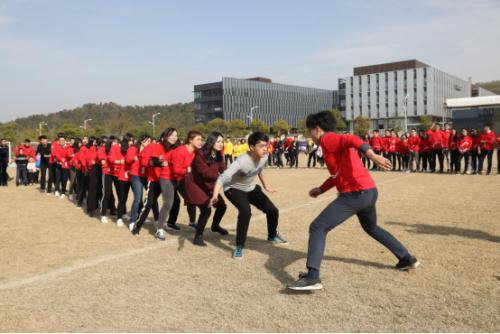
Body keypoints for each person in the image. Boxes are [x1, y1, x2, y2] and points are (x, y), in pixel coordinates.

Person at [287, 111, 419, 291]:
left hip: (355, 194)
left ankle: (312, 277)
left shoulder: (327, 139)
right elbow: (337, 174)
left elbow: (352, 139)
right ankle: (406, 258)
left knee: (318, 226)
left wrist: (372, 155)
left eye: (309, 131)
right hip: (369, 191)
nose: (310, 135)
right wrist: (321, 189)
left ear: (317, 129)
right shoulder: (329, 144)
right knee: (371, 227)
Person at [210, 131, 288, 260]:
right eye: (261, 146)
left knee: (273, 210)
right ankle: (239, 246)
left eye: (266, 145)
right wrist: (215, 195)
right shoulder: (241, 162)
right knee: (245, 211)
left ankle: (272, 235)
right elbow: (221, 179)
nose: (265, 148)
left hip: (250, 188)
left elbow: (259, 170)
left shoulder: (265, 157)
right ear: (252, 147)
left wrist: (265, 186)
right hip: (233, 189)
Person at [185, 132, 228, 246]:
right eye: (218, 141)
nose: (220, 144)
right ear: (211, 141)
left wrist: (235, 175)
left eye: (222, 142)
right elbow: (204, 173)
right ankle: (198, 236)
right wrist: (220, 178)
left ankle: (215, 226)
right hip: (196, 186)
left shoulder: (219, 155)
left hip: (209, 186)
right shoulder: (200, 153)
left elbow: (224, 169)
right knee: (206, 209)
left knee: (222, 206)